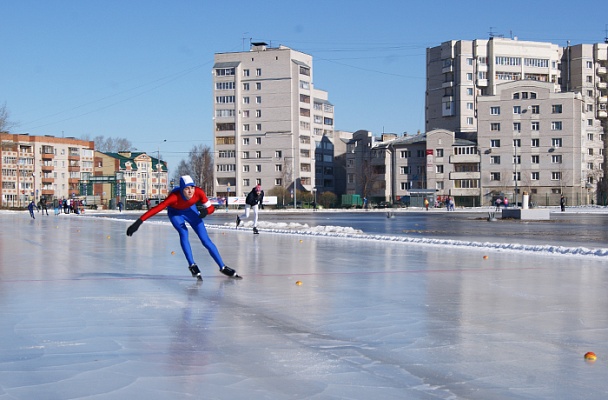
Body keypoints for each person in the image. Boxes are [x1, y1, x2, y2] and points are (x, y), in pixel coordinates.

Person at [126, 175, 241, 281]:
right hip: (175, 213)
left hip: (191, 211)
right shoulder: (174, 197)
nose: (190, 191)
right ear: (181, 189)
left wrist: (206, 211)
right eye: (187, 189)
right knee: (183, 232)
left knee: (206, 240)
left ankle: (222, 266)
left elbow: (211, 208)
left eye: (192, 187)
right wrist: (138, 222)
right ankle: (192, 265)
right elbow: (156, 209)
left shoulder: (199, 192)